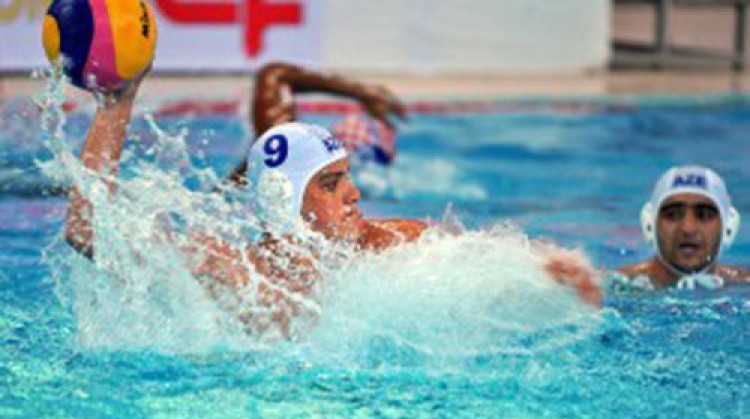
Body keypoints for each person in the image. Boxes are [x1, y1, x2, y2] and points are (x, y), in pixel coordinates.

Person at [64, 70, 601, 338]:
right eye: (330, 184)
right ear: (283, 201)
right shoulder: (229, 269)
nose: (355, 195)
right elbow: (88, 234)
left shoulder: (386, 242)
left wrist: (540, 270)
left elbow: (474, 260)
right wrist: (118, 104)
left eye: (347, 178)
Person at [228, 61, 406, 186]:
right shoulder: (339, 195)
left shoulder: (281, 146)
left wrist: (361, 92)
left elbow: (273, 73)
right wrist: (362, 92)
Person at [616, 165, 750, 290]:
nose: (688, 228)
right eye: (672, 215)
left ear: (728, 227)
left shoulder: (744, 285)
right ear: (650, 224)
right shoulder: (617, 286)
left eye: (704, 215)